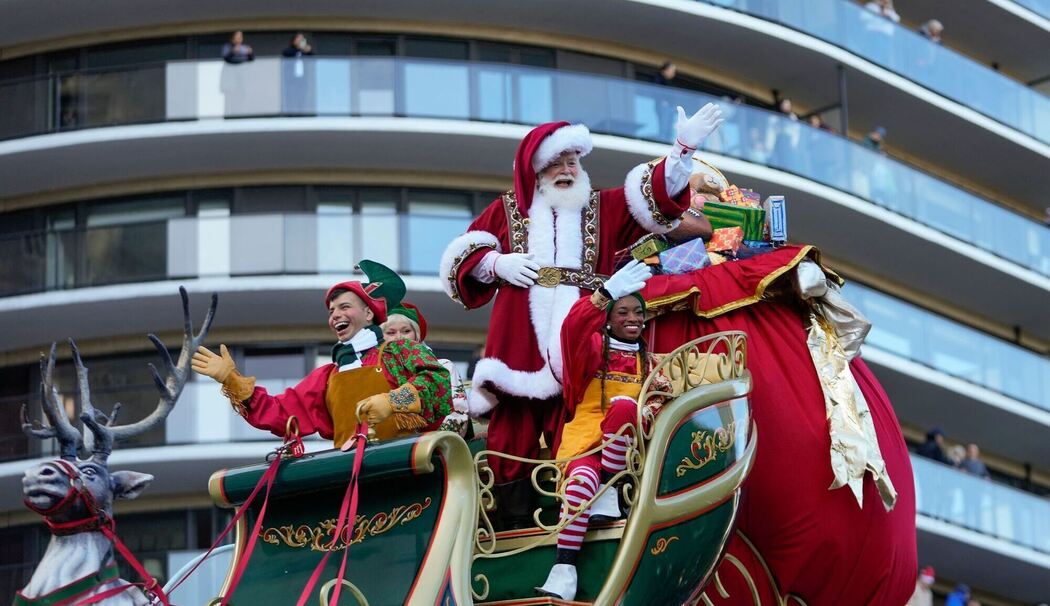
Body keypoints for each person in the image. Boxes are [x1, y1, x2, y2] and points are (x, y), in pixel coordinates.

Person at [439, 105, 723, 526]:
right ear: (536, 170)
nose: (567, 170)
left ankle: (581, 520)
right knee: (509, 438)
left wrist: (681, 151)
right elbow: (461, 259)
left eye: (573, 161)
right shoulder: (506, 211)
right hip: (519, 343)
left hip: (584, 340)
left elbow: (655, 200)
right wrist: (498, 265)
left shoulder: (604, 207)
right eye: (557, 163)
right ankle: (505, 529)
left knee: (581, 424)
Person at [191, 260, 452, 447]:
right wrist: (232, 380)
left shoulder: (398, 351)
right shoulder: (327, 376)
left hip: (408, 470)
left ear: (369, 314)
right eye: (331, 310)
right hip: (352, 479)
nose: (336, 314)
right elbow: (282, 414)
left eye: (344, 307)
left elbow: (438, 384)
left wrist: (392, 402)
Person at [536, 260, 662, 600]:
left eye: (638, 312)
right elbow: (572, 329)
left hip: (628, 460)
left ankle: (608, 484)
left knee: (624, 406)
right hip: (582, 448)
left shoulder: (652, 363)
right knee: (580, 482)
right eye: (623, 312)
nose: (633, 319)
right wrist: (604, 294)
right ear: (608, 319)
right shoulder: (591, 349)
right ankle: (564, 570)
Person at [382, 302, 471, 436]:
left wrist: (433, 446)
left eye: (406, 331)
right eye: (391, 332)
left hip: (437, 446)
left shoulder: (442, 366)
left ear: (416, 335)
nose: (399, 337)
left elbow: (458, 414)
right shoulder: (375, 370)